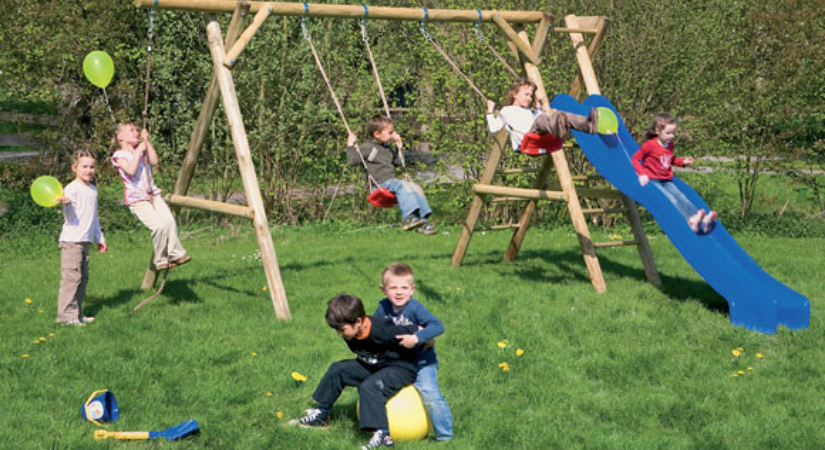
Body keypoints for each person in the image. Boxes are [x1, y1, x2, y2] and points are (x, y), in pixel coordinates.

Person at [290, 293, 419, 449]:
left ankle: (384, 437)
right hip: (374, 366)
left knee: (370, 387)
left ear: (358, 321)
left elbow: (417, 331)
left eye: (342, 330)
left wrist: (426, 338)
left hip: (400, 369)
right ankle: (322, 415)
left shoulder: (384, 330)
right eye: (336, 330)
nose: (339, 334)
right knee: (337, 369)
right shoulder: (351, 332)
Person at [374, 263, 452, 442]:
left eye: (404, 287)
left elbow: (438, 326)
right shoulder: (382, 308)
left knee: (429, 392)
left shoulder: (415, 309)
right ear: (383, 289)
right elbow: (377, 329)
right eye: (393, 287)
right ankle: (380, 430)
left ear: (412, 289)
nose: (399, 292)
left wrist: (417, 338)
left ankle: (445, 436)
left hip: (422, 360)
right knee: (375, 385)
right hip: (398, 360)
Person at [111, 123, 190, 270]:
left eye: (136, 130)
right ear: (120, 137)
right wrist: (138, 152)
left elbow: (154, 162)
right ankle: (160, 260)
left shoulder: (141, 148)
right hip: (137, 200)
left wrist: (147, 143)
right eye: (132, 130)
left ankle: (176, 253)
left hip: (153, 194)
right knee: (159, 227)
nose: (136, 133)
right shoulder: (119, 156)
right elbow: (130, 170)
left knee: (170, 223)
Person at [347, 115, 437, 235]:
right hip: (379, 186)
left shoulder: (388, 148)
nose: (393, 134)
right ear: (377, 134)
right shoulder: (368, 148)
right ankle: (408, 218)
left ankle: (423, 222)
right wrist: (350, 144)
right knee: (401, 184)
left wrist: (399, 147)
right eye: (390, 132)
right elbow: (352, 160)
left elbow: (399, 162)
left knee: (415, 187)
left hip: (391, 184)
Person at [632, 112, 717, 234]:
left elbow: (670, 159)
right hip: (652, 179)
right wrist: (642, 174)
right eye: (668, 133)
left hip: (666, 179)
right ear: (657, 131)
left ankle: (699, 218)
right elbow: (635, 159)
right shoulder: (650, 145)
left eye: (673, 132)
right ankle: (690, 221)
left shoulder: (669, 144)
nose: (671, 136)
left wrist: (683, 162)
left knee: (682, 197)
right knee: (672, 199)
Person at [55, 149, 107, 326]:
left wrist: (100, 237)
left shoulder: (92, 189)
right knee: (71, 278)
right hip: (71, 241)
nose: (89, 170)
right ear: (74, 168)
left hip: (85, 241)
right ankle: (66, 317)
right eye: (84, 166)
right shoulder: (72, 188)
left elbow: (94, 217)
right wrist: (67, 205)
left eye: (92, 167)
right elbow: (69, 216)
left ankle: (77, 313)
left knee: (82, 278)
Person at [486, 77, 598, 152]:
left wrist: (539, 105)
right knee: (542, 119)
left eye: (531, 95)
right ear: (515, 94)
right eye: (526, 94)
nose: (529, 98)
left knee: (560, 114)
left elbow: (541, 119)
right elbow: (493, 128)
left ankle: (588, 125)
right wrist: (490, 110)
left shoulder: (528, 112)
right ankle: (558, 128)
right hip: (527, 140)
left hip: (540, 134)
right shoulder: (507, 111)